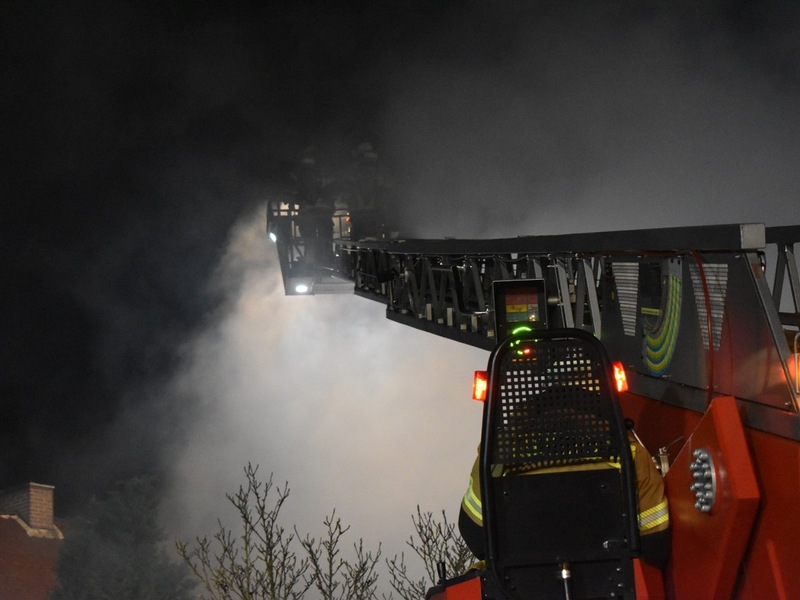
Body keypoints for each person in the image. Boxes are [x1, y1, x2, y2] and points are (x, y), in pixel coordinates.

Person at [458, 432, 671, 568]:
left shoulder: (498, 450)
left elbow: (475, 535)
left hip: (517, 588)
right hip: (613, 586)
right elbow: (655, 544)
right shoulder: (629, 452)